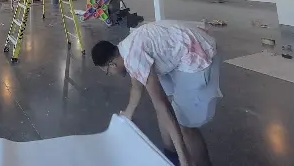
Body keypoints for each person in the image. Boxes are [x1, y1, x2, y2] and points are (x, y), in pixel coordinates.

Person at [91, 21, 221, 166]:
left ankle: (193, 161)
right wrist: (128, 112)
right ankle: (170, 157)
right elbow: (136, 87)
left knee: (184, 124)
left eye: (107, 72)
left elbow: (162, 105)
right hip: (182, 49)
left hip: (197, 53)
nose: (110, 74)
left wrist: (183, 156)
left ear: (112, 64)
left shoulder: (134, 57)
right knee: (168, 112)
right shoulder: (126, 49)